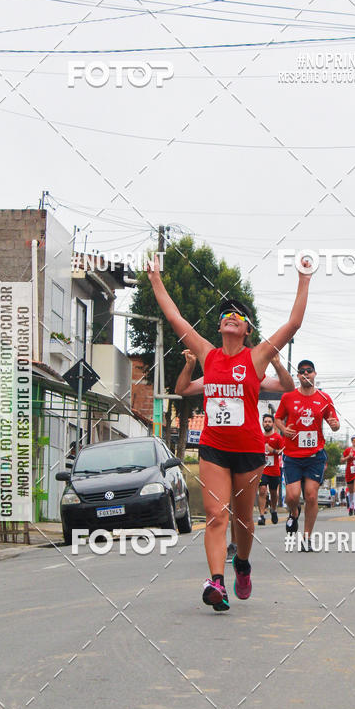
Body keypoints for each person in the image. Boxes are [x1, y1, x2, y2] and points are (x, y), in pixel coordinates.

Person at [147, 255, 312, 611]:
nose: (230, 318)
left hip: (250, 452)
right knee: (217, 516)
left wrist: (304, 278)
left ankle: (243, 565)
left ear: (248, 329)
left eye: (238, 316)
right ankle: (217, 582)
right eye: (225, 315)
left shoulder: (257, 357)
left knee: (243, 519)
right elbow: (174, 317)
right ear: (219, 327)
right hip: (214, 449)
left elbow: (294, 323)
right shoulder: (208, 354)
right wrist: (156, 279)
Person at [175, 350, 293, 543]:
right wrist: (189, 365)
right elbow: (182, 389)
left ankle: (239, 547)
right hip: (217, 450)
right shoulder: (212, 377)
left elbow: (287, 386)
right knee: (222, 505)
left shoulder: (251, 375)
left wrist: (277, 364)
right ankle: (231, 545)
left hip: (245, 449)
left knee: (240, 509)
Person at [274, 360, 340, 551]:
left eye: (308, 371)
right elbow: (278, 417)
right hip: (293, 455)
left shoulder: (324, 398)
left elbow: (333, 422)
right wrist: (283, 429)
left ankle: (307, 537)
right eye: (301, 372)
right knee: (293, 496)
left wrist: (335, 426)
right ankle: (294, 513)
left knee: (311, 496)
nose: (305, 374)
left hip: (315, 455)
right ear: (298, 376)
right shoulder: (288, 397)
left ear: (314, 374)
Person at [258, 413, 285, 525]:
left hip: (274, 470)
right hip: (262, 469)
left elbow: (281, 451)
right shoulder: (259, 437)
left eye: (269, 421)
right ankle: (262, 515)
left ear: (273, 424)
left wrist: (272, 450)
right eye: (265, 421)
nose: (267, 423)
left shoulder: (277, 437)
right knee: (263, 490)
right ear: (262, 423)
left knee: (274, 493)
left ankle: (273, 510)